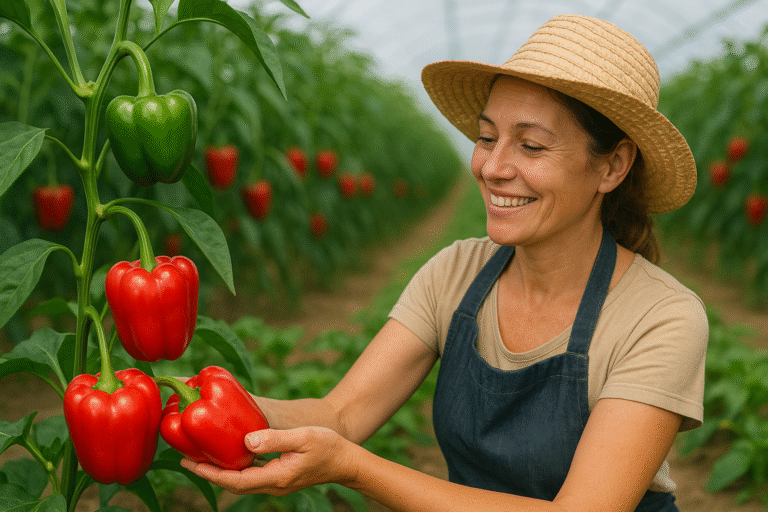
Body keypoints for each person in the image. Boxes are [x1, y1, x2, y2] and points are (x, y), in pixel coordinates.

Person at [181, 14, 708, 512]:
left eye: (531, 145)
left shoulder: (659, 317)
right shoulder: (457, 272)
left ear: (612, 166)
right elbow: (341, 414)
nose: (493, 167)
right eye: (486, 138)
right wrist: (206, 402)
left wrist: (355, 469)